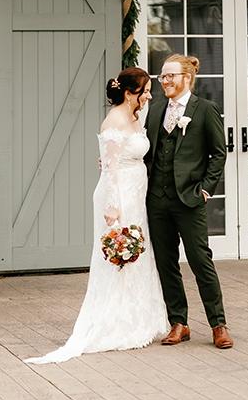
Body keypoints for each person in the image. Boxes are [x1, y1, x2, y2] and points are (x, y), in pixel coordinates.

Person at [25, 67, 169, 364]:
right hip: (119, 195)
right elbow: (110, 169)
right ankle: (114, 324)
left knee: (138, 255)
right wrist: (112, 206)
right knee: (120, 254)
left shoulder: (135, 116)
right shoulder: (113, 121)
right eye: (145, 91)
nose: (149, 96)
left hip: (136, 193)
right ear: (129, 93)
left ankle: (137, 320)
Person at [145, 54, 233, 349]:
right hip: (157, 200)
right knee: (166, 262)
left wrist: (206, 189)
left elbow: (218, 153)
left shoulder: (205, 109)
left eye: (170, 75)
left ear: (187, 77)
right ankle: (178, 323)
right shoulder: (155, 110)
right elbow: (148, 153)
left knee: (199, 260)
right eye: (162, 76)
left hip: (189, 199)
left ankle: (218, 324)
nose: (165, 81)